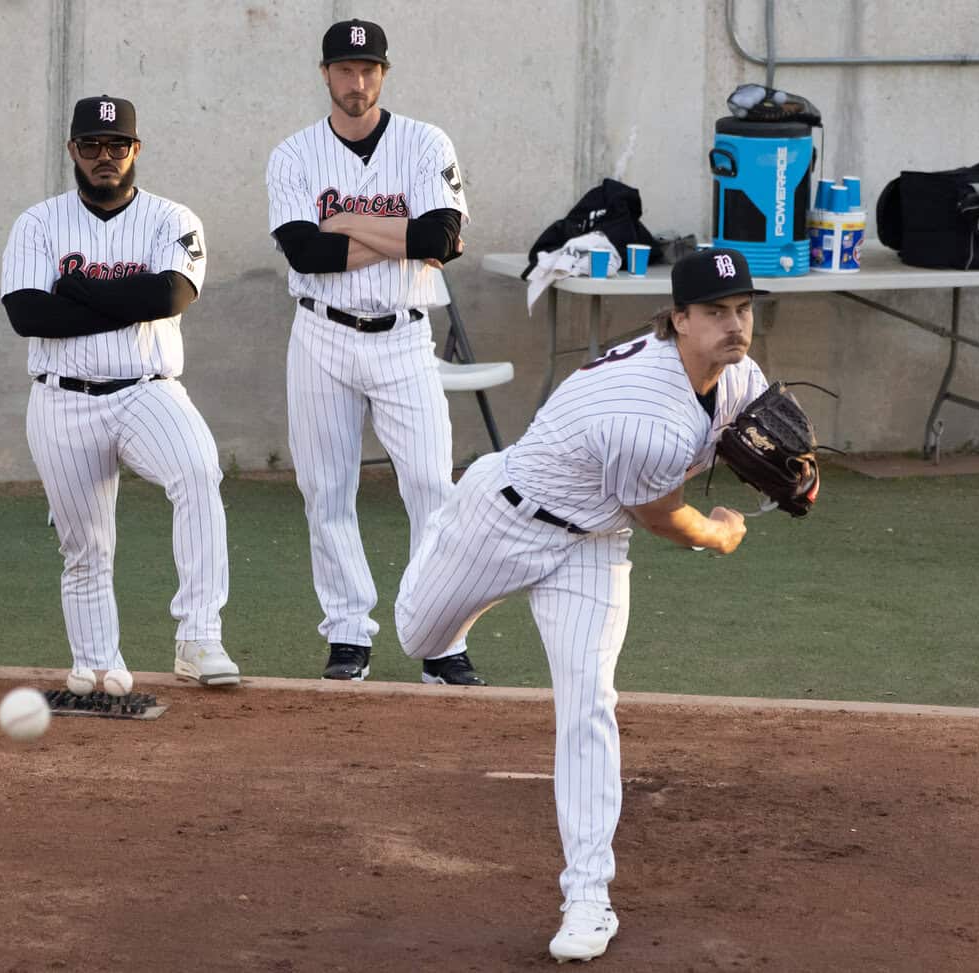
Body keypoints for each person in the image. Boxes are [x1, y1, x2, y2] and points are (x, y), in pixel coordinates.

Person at [396, 248, 770, 962]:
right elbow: (665, 517)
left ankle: (588, 896)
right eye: (716, 312)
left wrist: (800, 469)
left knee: (588, 702)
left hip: (592, 546)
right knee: (419, 635)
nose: (734, 325)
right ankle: (455, 579)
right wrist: (721, 535)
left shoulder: (737, 375)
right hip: (502, 518)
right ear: (679, 319)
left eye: (743, 309)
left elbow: (762, 418)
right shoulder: (649, 415)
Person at [265, 18, 484, 685]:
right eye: (344, 69)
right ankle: (347, 636)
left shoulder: (423, 142)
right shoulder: (294, 154)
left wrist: (349, 223)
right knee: (326, 489)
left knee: (430, 487)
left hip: (403, 332)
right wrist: (401, 233)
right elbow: (305, 250)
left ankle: (440, 641)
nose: (356, 82)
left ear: (383, 74)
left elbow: (443, 238)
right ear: (325, 74)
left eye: (368, 70)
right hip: (320, 333)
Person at [0, 95, 239, 695]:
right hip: (60, 399)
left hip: (146, 391)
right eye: (91, 146)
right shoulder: (37, 222)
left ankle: (199, 638)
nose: (104, 157)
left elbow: (168, 299)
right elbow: (28, 314)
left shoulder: (172, 218)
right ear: (73, 151)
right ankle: (97, 666)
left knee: (198, 472)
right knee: (85, 545)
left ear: (136, 149)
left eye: (117, 146)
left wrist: (75, 289)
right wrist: (124, 301)